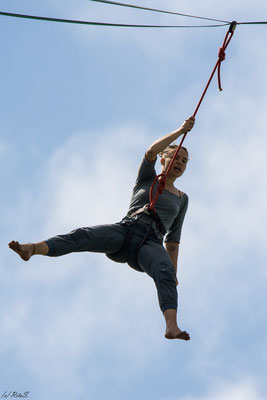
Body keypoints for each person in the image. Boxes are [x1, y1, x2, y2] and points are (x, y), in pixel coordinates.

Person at [9, 116, 195, 340]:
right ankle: (31, 248)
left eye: (185, 161)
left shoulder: (182, 199)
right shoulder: (147, 178)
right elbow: (150, 152)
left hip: (152, 243)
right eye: (176, 156)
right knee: (82, 235)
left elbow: (173, 242)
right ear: (165, 159)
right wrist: (180, 130)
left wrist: (173, 273)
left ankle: (171, 326)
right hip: (125, 230)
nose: (180, 162)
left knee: (164, 274)